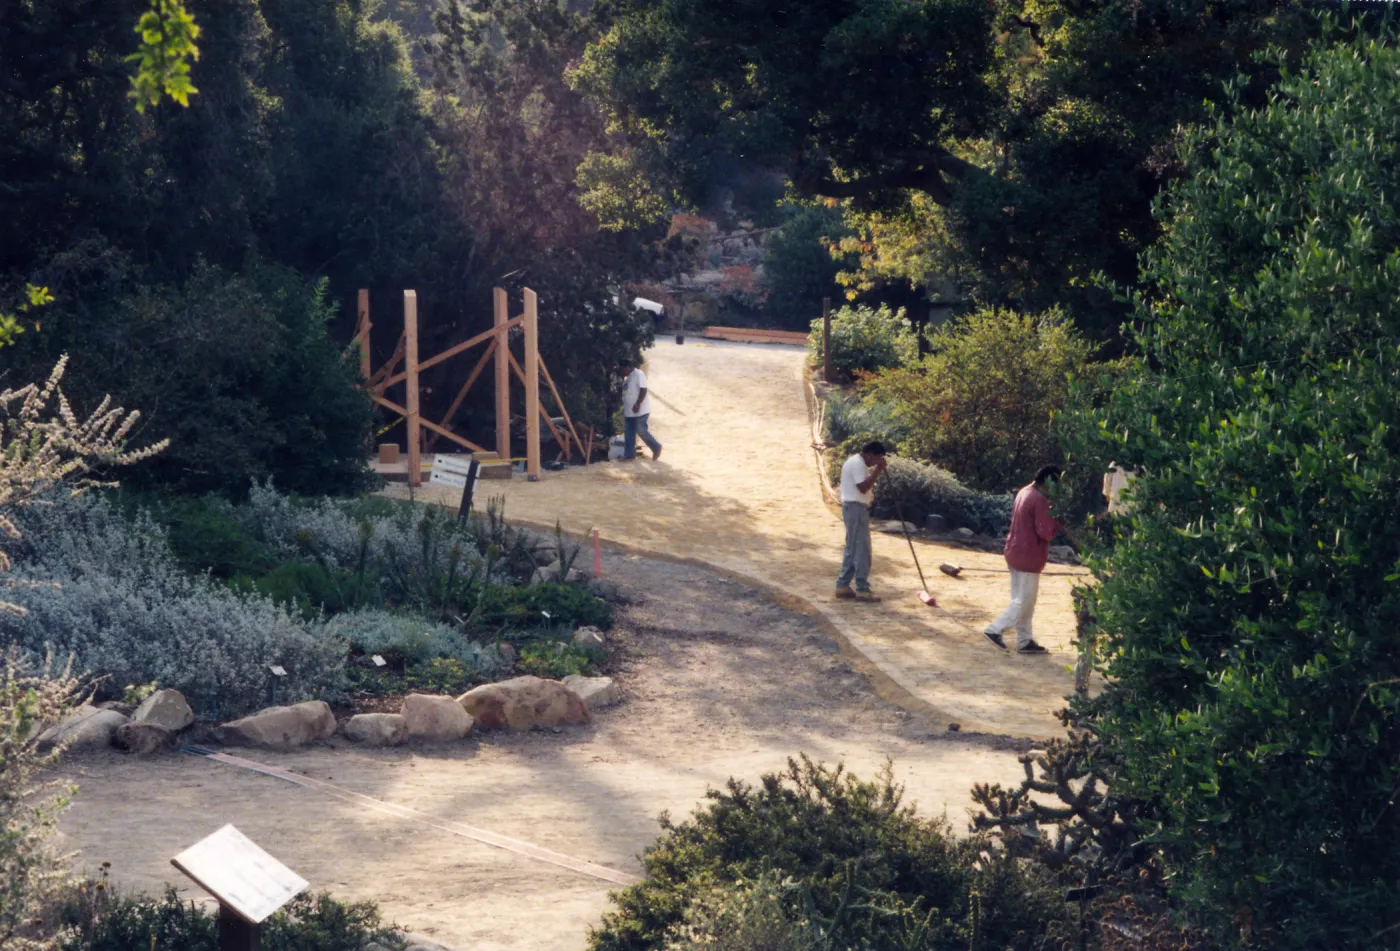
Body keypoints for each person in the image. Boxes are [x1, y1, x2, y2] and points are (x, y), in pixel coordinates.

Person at [984, 464, 1078, 654]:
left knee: (1023, 600)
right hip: (1029, 555)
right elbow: (1046, 533)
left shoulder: (1024, 491)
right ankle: (994, 629)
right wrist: (1058, 521)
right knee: (1024, 602)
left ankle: (1024, 641)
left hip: (1015, 550)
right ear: (1049, 482)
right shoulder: (1039, 499)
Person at [835, 441, 888, 601]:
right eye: (877, 458)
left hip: (853, 508)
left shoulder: (855, 462)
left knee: (852, 547)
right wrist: (878, 470)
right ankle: (862, 588)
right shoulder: (858, 464)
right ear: (871, 454)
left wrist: (876, 468)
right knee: (862, 549)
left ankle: (843, 585)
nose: (876, 462)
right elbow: (863, 487)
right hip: (855, 508)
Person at [619, 358, 662, 461]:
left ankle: (656, 447)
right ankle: (629, 454)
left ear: (628, 367)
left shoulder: (638, 374)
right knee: (629, 433)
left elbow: (643, 389)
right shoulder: (627, 379)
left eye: (622, 369)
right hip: (629, 412)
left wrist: (638, 403)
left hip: (640, 410)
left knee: (640, 430)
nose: (621, 371)